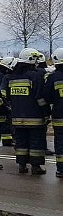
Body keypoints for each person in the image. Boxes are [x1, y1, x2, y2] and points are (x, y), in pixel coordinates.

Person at [3, 48, 48, 175]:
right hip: (35, 117)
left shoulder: (11, 77)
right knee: (36, 142)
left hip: (17, 117)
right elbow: (40, 97)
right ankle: (36, 166)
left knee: (21, 142)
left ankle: (22, 165)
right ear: (31, 59)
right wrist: (46, 113)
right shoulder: (36, 75)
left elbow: (7, 96)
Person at [43, 47, 63, 178]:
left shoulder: (53, 77)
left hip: (59, 116)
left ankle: (61, 169)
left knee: (60, 142)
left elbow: (46, 96)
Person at [0, 56, 16, 147]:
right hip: (6, 101)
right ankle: (8, 140)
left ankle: (7, 140)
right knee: (8, 121)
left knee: (6, 122)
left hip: (3, 101)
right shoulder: (3, 76)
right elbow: (3, 90)